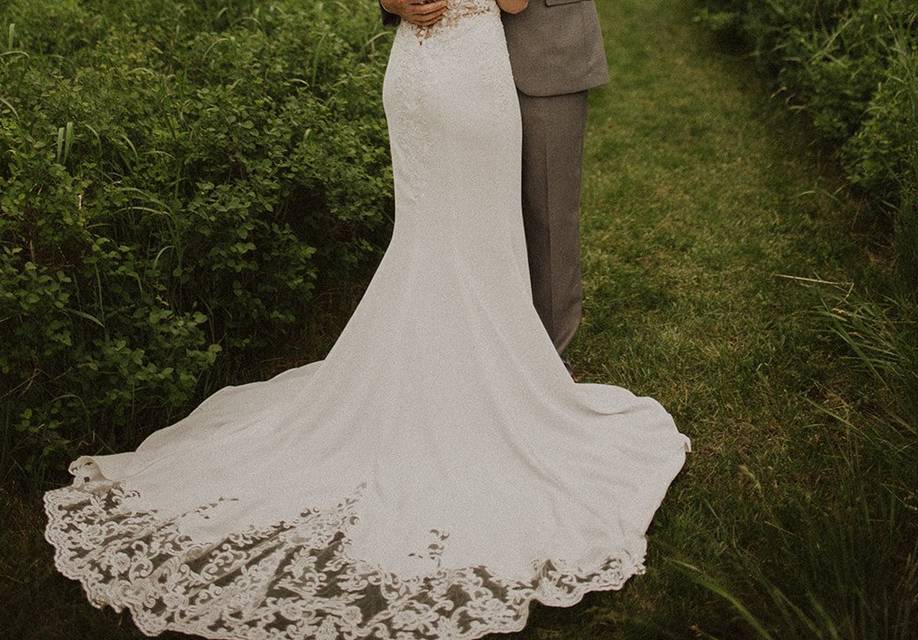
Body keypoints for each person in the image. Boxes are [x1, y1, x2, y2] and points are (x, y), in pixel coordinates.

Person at [43, 2, 692, 639]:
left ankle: (533, 371)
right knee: (460, 234)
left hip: (507, 53)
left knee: (524, 230)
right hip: (451, 58)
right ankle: (508, 392)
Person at [381, 0, 608, 378]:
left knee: (548, 209)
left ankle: (548, 358)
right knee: (456, 209)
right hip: (449, 57)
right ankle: (457, 343)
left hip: (546, 48)